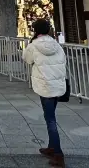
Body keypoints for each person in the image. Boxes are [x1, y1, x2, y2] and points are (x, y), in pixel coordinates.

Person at [22, 19, 67, 168]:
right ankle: (51, 146)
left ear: (35, 30)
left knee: (50, 119)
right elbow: (63, 61)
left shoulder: (34, 46)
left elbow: (27, 60)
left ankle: (58, 154)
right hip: (58, 85)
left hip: (44, 85)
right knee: (51, 116)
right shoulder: (56, 45)